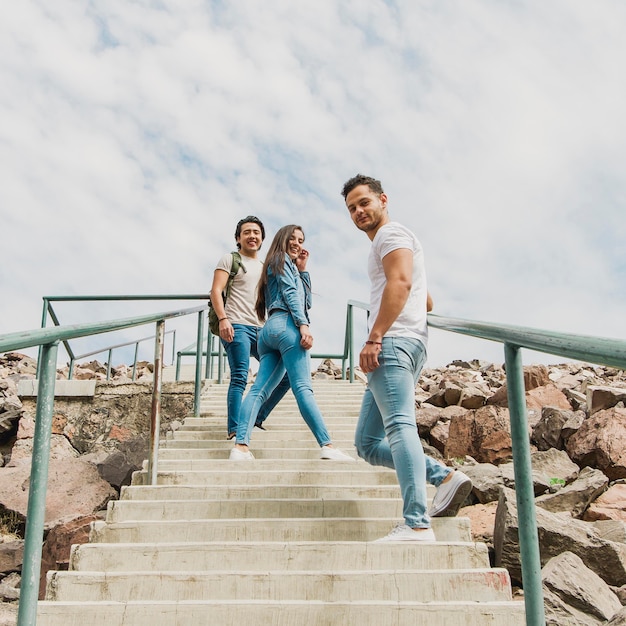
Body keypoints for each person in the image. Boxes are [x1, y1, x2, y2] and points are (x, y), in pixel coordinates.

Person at [341, 174, 472, 542]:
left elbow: (401, 284)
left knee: (399, 426)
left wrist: (375, 336)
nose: (358, 211)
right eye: (351, 207)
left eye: (364, 202)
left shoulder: (390, 234)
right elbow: (426, 299)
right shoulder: (394, 240)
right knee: (366, 443)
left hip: (393, 343)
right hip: (407, 342)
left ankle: (416, 522)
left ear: (383, 199)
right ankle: (444, 477)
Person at [230, 224, 354, 462]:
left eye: (302, 240)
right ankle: (327, 445)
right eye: (294, 238)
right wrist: (303, 325)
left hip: (269, 331)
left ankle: (241, 447)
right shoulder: (281, 259)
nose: (298, 243)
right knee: (303, 388)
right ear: (283, 239)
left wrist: (303, 271)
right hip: (287, 325)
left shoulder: (275, 263)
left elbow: (305, 298)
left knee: (258, 390)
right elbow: (292, 295)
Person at [210, 216, 291, 440]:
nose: (252, 236)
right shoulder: (230, 259)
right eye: (247, 232)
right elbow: (216, 291)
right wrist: (223, 319)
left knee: (287, 375)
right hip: (236, 324)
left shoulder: (267, 267)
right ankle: (235, 429)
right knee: (239, 376)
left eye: (256, 232)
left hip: (262, 329)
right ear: (238, 238)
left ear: (262, 238)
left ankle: (255, 418)